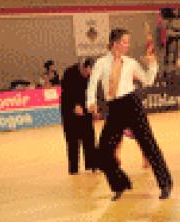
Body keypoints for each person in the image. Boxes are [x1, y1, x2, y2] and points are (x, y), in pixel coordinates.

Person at [86, 28, 173, 201]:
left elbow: (147, 80)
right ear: (115, 43)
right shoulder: (101, 63)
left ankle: (165, 184)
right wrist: (90, 102)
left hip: (132, 105)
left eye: (128, 42)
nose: (128, 45)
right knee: (103, 152)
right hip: (114, 108)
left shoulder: (131, 62)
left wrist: (153, 65)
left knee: (149, 146)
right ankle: (120, 184)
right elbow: (93, 83)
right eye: (125, 42)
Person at [60, 58, 98, 175]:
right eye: (89, 71)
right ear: (85, 67)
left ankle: (92, 165)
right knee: (72, 140)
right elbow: (66, 94)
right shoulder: (69, 73)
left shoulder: (91, 77)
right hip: (69, 112)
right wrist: (74, 106)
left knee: (89, 137)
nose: (90, 75)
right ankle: (74, 169)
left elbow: (93, 92)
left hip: (85, 109)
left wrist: (94, 106)